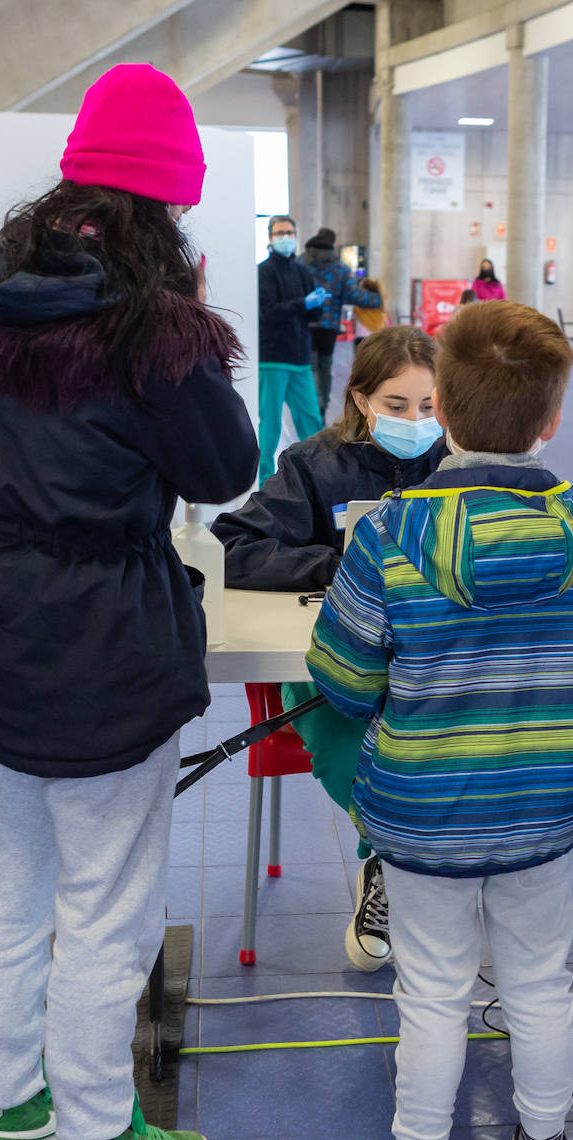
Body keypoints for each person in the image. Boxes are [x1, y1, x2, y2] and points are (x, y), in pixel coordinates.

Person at [0, 64, 259, 1140]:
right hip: (107, 637)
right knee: (109, 902)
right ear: (165, 204)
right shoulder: (150, 330)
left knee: (10, 888)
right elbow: (224, 469)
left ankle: (12, 1113)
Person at [307, 300, 573, 1140]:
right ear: (552, 419)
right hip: (546, 804)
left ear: (440, 409)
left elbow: (344, 677)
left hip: (422, 812)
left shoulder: (392, 531)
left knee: (433, 989)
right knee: (541, 981)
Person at [210, 327, 449, 970]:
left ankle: (422, 863)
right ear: (361, 399)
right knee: (345, 717)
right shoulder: (315, 463)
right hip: (338, 656)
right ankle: (392, 865)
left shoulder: (455, 459)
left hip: (429, 656)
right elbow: (234, 546)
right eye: (397, 406)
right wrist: (337, 559)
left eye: (429, 407)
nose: (416, 421)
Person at [258, 214, 330, 484]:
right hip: (273, 360)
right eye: (280, 233)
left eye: (289, 232)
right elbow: (268, 312)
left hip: (300, 359)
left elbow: (311, 313)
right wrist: (303, 303)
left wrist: (318, 304)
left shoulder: (301, 271)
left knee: (311, 419)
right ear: (270, 237)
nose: (285, 237)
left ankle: (322, 474)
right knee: (270, 426)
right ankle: (264, 480)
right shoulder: (264, 272)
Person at [303, 227, 382, 420]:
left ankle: (312, 403)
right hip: (329, 326)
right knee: (325, 364)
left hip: (305, 322)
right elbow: (354, 295)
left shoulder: (300, 263)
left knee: (310, 366)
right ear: (333, 244)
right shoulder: (340, 268)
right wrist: (379, 299)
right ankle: (322, 404)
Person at [352, 278, 388, 351]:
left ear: (365, 289)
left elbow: (354, 324)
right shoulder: (382, 303)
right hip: (378, 338)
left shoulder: (358, 306)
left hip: (361, 338)